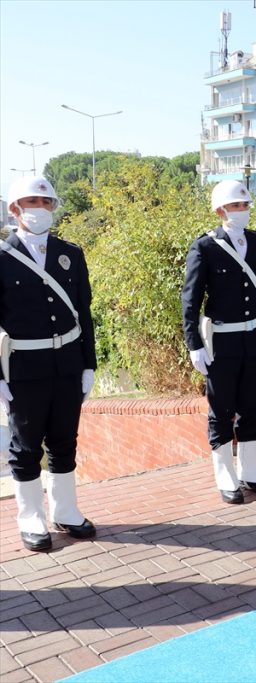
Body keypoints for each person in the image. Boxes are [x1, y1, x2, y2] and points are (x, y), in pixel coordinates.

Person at [1, 176, 98, 552]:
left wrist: (88, 364)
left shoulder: (70, 253)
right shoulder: (2, 256)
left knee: (63, 441)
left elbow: (82, 313)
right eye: (31, 201)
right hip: (23, 368)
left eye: (46, 202)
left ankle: (66, 511)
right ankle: (30, 517)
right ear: (15, 209)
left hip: (67, 364)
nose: (39, 208)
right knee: (25, 447)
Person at [182, 180, 256, 504]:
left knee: (252, 405)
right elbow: (191, 300)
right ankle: (225, 473)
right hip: (222, 341)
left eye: (245, 205)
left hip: (254, 337)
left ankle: (250, 469)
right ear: (221, 210)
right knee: (221, 408)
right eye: (236, 206)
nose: (243, 210)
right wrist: (194, 343)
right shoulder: (205, 247)